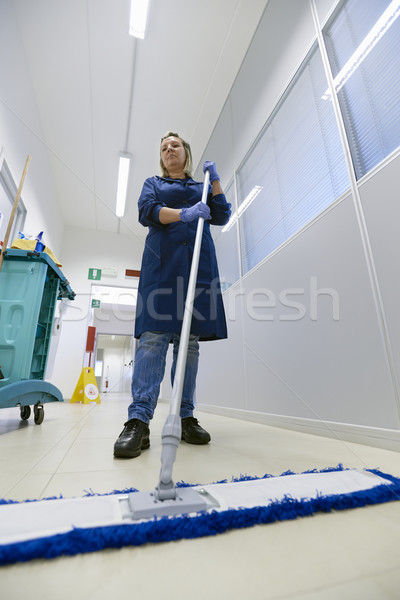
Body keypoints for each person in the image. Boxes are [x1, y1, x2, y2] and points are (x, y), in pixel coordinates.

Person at [114, 131, 231, 458]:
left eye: (175, 145)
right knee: (152, 339)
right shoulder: (153, 183)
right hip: (162, 267)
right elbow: (147, 212)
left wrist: (216, 180)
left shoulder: (201, 186)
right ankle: (138, 420)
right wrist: (185, 214)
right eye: (164, 147)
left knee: (188, 344)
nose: (169, 150)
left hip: (197, 268)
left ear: (186, 153)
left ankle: (184, 416)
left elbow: (221, 215)